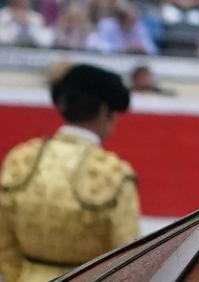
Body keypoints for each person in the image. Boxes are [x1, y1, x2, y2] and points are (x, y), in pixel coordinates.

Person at [0, 64, 139, 281]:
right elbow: (129, 259)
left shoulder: (20, 160)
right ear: (104, 111)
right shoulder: (114, 175)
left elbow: (4, 243)